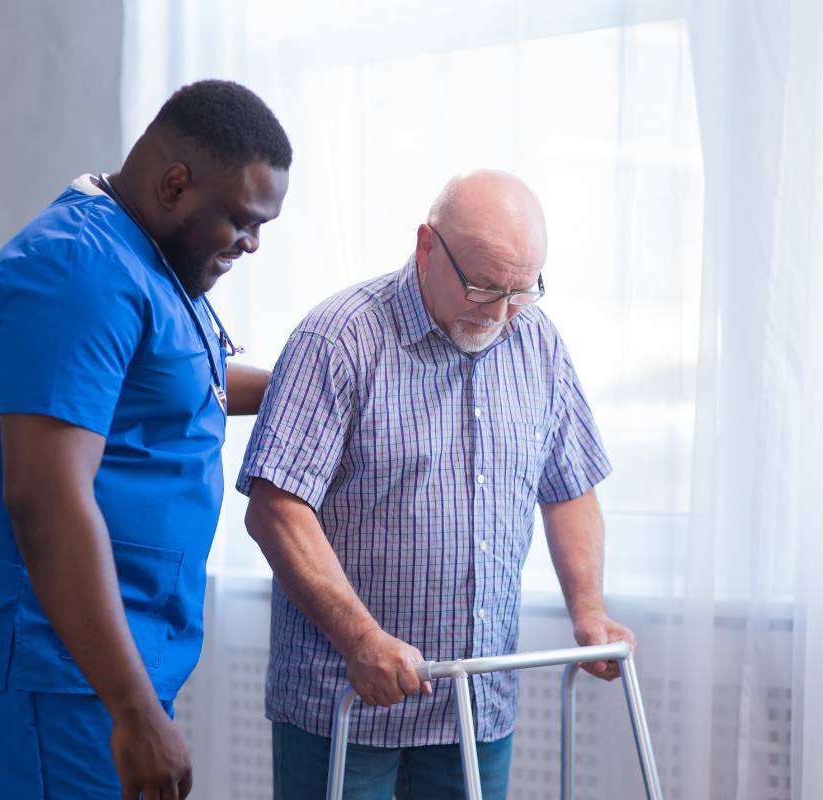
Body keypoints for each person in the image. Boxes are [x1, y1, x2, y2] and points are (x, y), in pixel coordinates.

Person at [0, 79, 291, 800]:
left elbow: (176, 382)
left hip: (96, 647)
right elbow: (44, 496)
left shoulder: (147, 261)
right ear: (175, 184)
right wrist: (133, 709)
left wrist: (313, 385)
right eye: (242, 220)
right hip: (41, 652)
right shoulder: (77, 269)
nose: (253, 244)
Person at [238, 169, 636, 799]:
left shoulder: (537, 343)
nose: (501, 314)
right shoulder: (338, 339)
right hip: (344, 699)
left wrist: (588, 611)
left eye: (521, 291)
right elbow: (276, 510)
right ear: (426, 247)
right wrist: (361, 639)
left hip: (474, 708)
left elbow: (570, 488)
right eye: (483, 288)